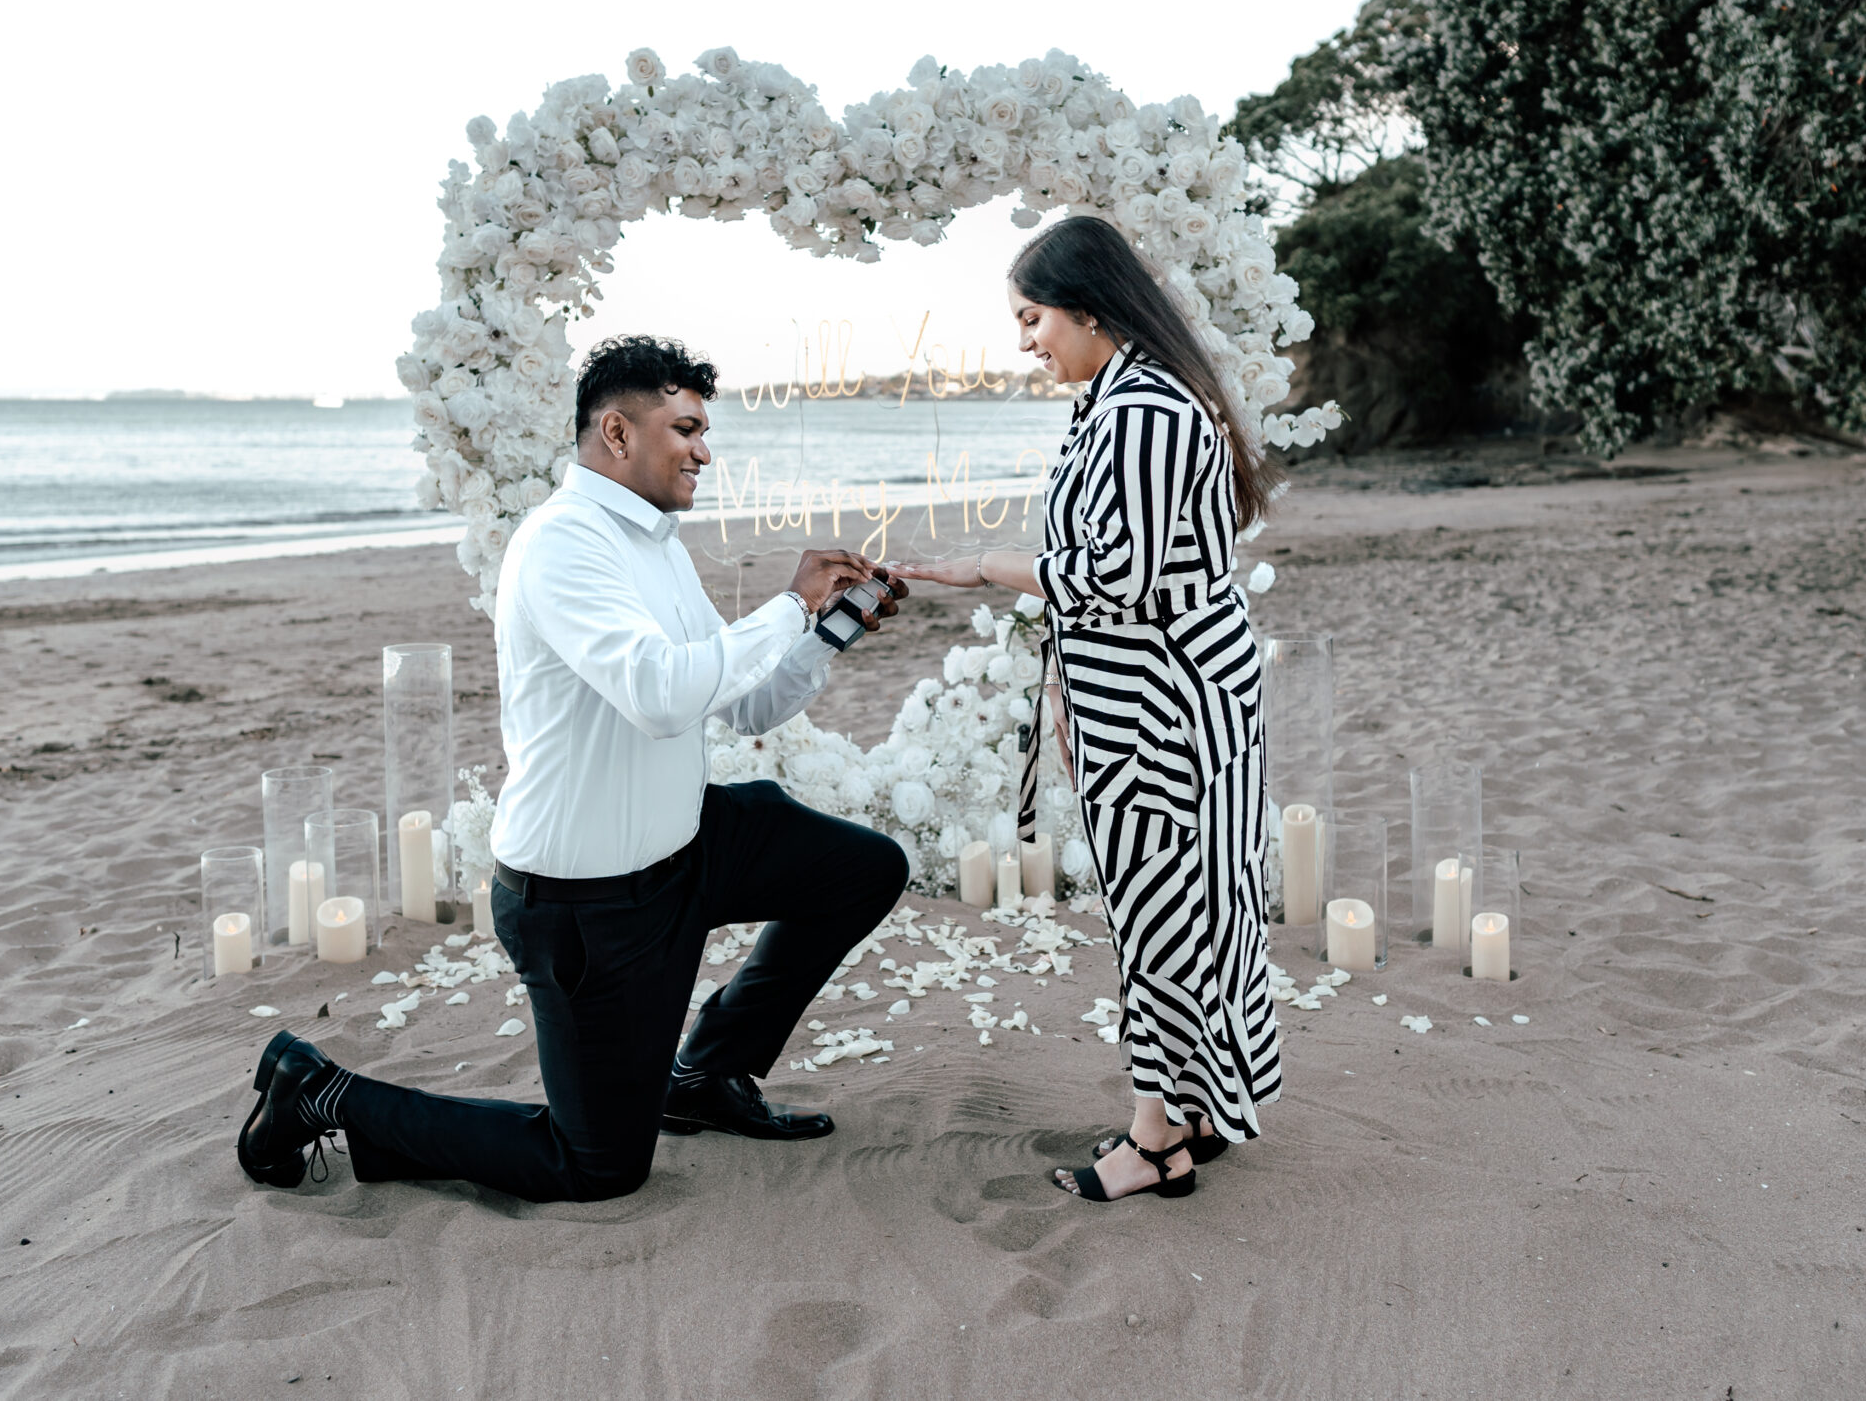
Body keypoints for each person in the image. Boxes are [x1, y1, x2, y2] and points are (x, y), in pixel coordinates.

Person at [236, 335, 911, 1203]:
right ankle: (318, 1089)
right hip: (588, 904)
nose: (706, 450)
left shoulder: (656, 541)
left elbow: (738, 702)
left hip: (689, 844)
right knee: (596, 1166)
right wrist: (786, 604)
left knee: (863, 868)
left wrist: (826, 631)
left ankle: (705, 1076)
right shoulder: (561, 545)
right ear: (619, 433)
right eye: (688, 427)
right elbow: (660, 694)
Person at [892, 215, 1283, 1203]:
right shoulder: (1117, 400)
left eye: (1033, 318)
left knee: (1161, 909)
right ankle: (1196, 1102)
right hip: (1141, 691)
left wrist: (976, 567)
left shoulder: (1145, 410)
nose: (1026, 341)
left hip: (1169, 702)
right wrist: (1070, 690)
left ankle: (1156, 1140)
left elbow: (1119, 574)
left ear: (1089, 311)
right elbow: (1114, 586)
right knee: (1185, 899)